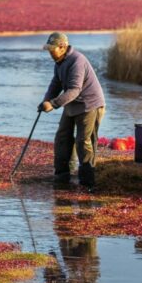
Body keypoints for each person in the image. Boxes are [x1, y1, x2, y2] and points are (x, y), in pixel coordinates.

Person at [39, 32, 105, 189]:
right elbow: (56, 84)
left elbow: (75, 90)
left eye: (52, 49)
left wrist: (53, 104)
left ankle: (87, 183)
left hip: (89, 105)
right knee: (62, 137)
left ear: (62, 47)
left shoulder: (77, 60)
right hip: (72, 104)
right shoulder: (59, 62)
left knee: (83, 142)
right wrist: (46, 100)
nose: (50, 52)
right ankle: (62, 176)